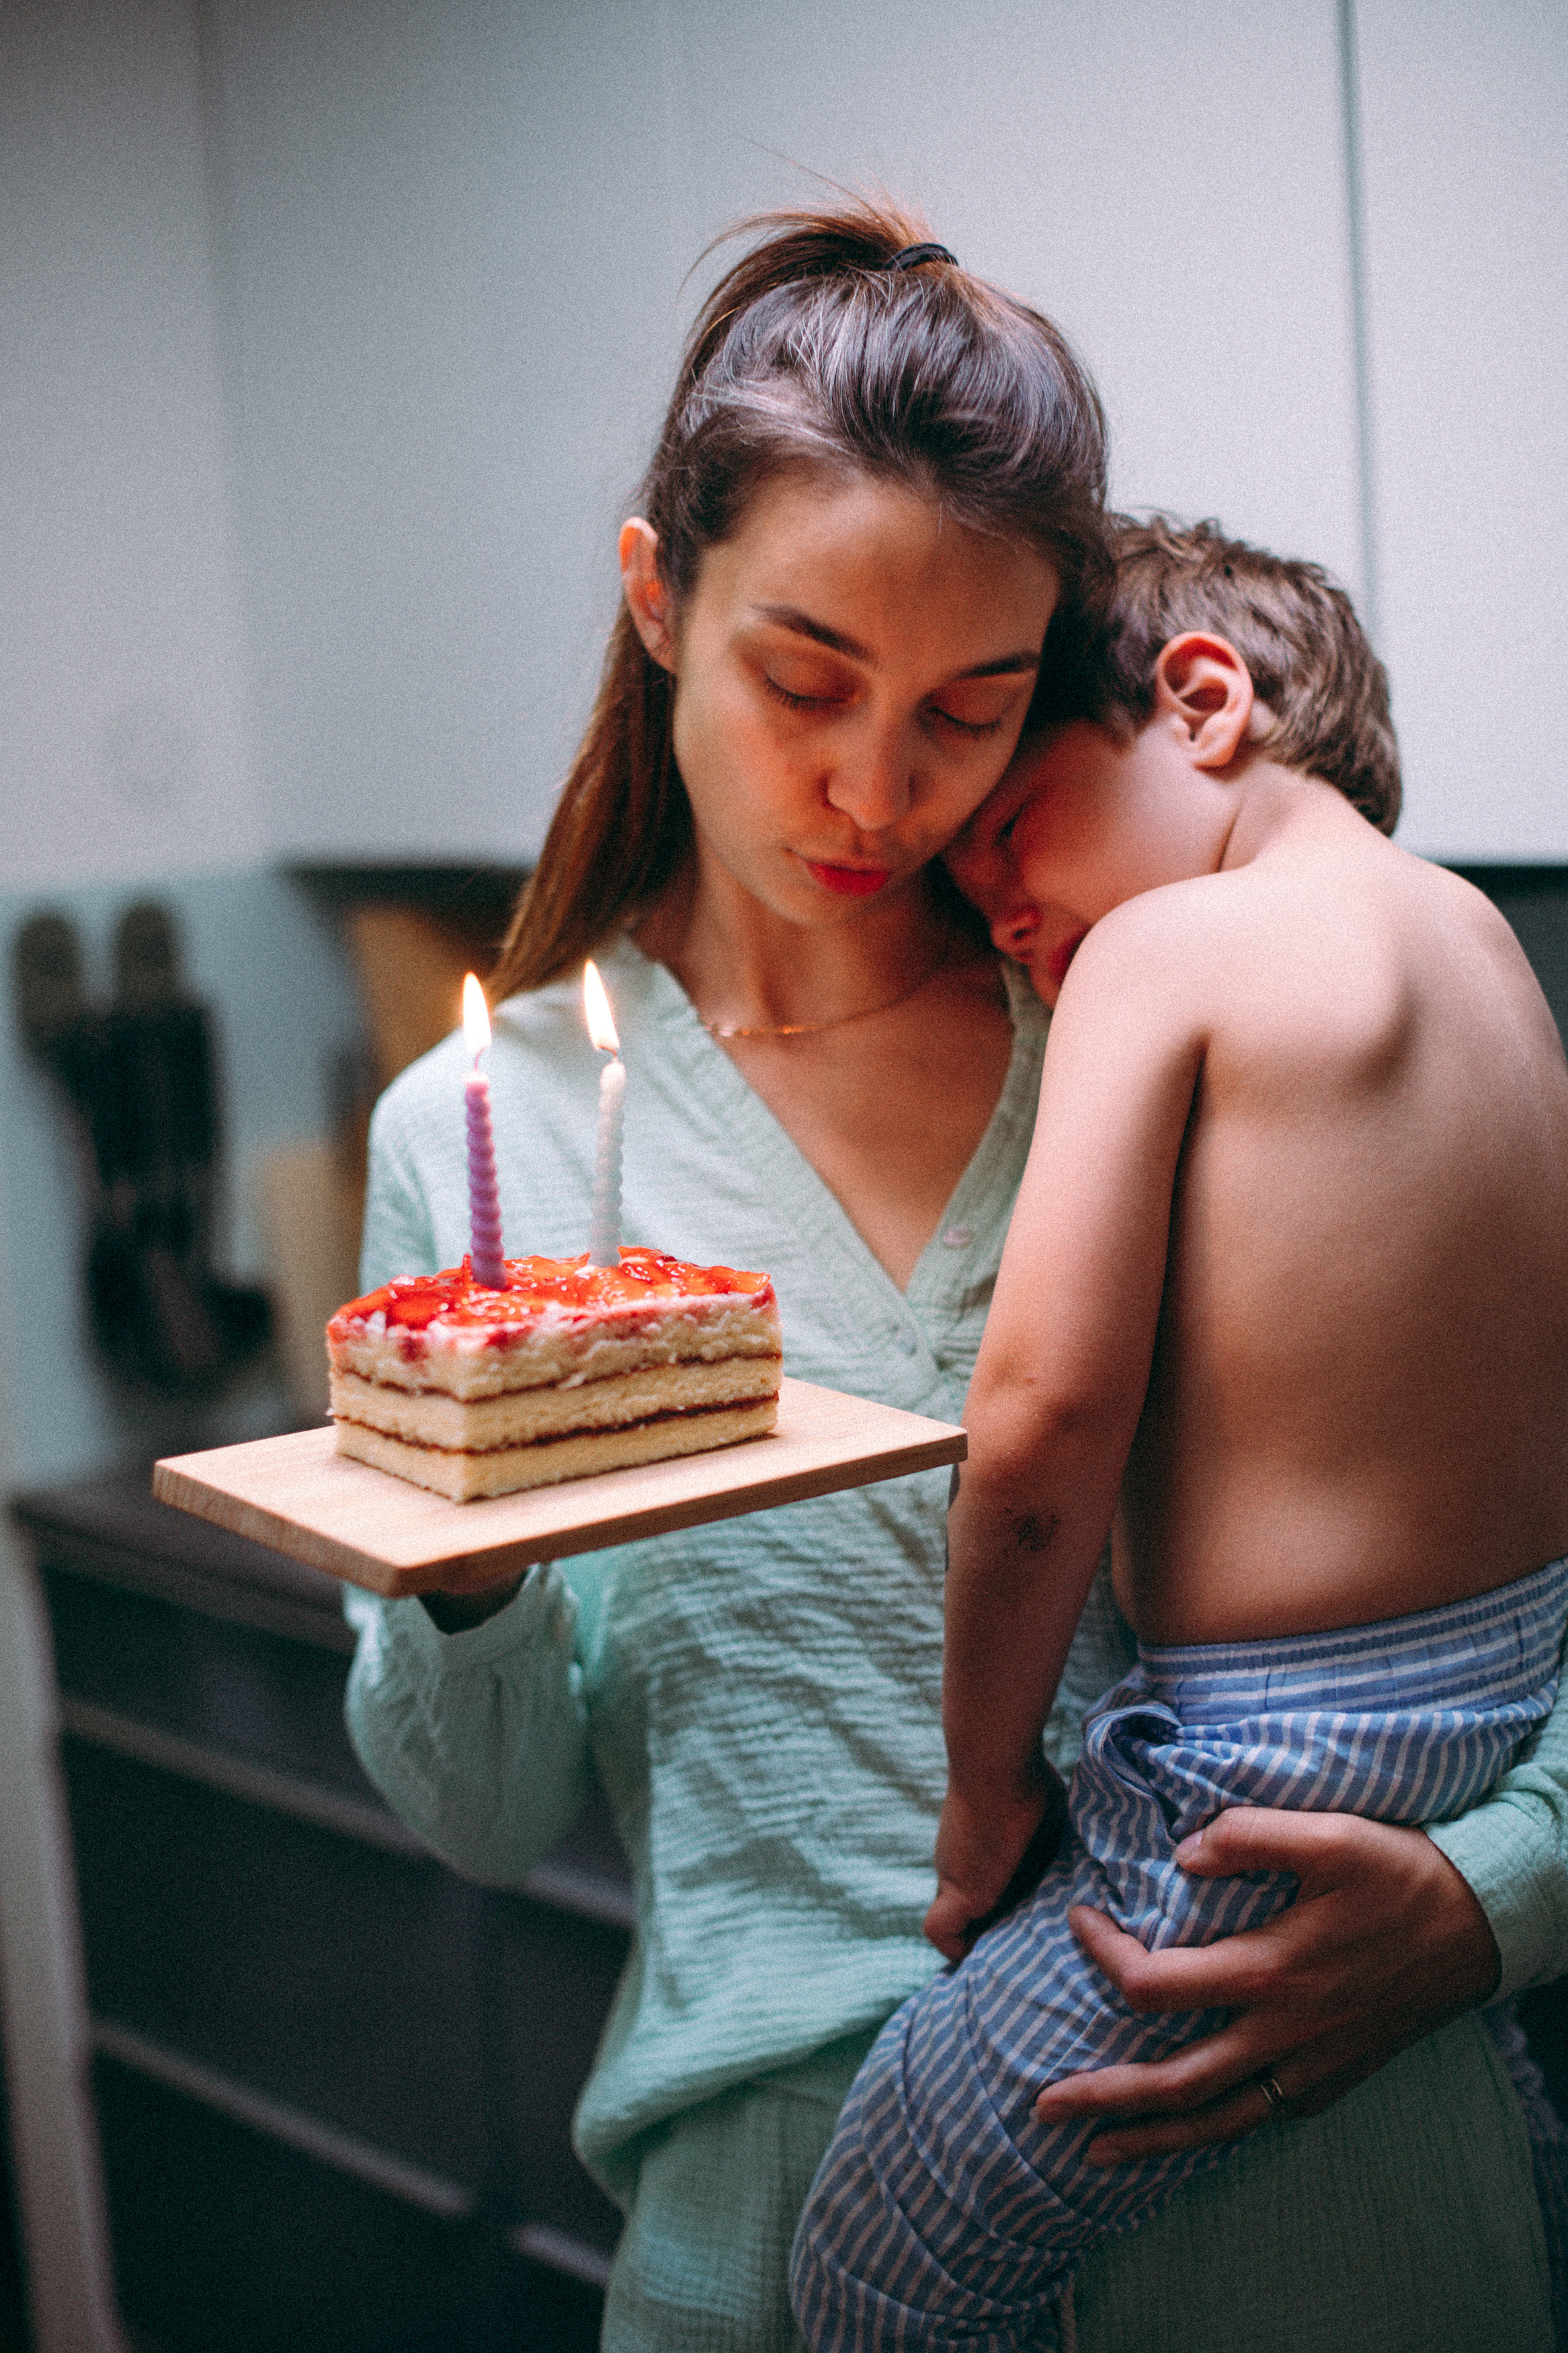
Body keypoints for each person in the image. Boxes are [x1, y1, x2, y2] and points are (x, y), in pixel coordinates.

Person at [341, 208, 1567, 2353]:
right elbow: (482, 1812)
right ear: (658, 598)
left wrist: (1503, 1893)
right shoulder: (491, 1138)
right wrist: (474, 1550)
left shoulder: (1159, 987)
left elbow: (1503, 1543)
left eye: (975, 711)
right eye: (804, 680)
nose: (878, 789)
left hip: (1350, 2208)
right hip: (780, 2237)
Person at [790, 516, 1568, 2350]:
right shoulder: (1491, 956)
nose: (1000, 913)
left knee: (875, 2251)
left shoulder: (1167, 950)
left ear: (1203, 703)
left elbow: (1041, 1427)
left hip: (1267, 1767)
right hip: (1500, 1701)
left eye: (1009, 828)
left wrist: (986, 1794)